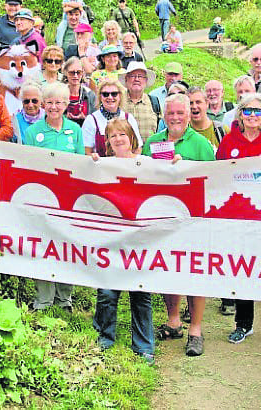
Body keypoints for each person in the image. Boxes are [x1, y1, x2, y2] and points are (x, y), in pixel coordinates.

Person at [145, 94, 215, 357]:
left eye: (180, 113)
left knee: (195, 273)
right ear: (164, 115)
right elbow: (141, 176)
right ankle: (173, 320)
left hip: (193, 219)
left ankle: (195, 329)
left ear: (189, 115)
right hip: (163, 217)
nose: (175, 117)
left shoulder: (201, 145)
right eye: (170, 113)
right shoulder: (153, 142)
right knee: (168, 268)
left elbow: (213, 181)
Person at [215, 92, 261, 347]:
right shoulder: (228, 143)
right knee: (242, 270)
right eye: (247, 111)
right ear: (240, 115)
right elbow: (218, 177)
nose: (252, 116)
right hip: (237, 218)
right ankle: (244, 324)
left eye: (257, 111)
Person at [91, 118, 154, 362]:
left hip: (140, 236)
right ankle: (104, 338)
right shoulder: (103, 165)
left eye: (122, 135)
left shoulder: (145, 164)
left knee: (141, 293)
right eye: (112, 135)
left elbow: (169, 174)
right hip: (111, 236)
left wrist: (176, 164)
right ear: (107, 141)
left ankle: (144, 346)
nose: (118, 139)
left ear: (132, 138)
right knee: (107, 290)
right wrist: (91, 165)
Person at [24, 81, 84, 310]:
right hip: (42, 199)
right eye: (49, 102)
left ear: (66, 104)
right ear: (42, 104)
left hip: (68, 200)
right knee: (44, 247)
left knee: (66, 247)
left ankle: (64, 298)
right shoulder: (32, 132)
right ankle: (44, 299)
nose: (54, 106)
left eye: (58, 102)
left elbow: (81, 165)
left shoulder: (75, 131)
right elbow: (27, 165)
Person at [82, 75, 142, 156]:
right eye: (105, 94)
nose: (110, 97)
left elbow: (137, 148)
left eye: (114, 94)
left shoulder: (129, 118)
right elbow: (87, 151)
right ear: (100, 97)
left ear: (120, 96)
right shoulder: (91, 120)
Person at [122, 61, 160, 138]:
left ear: (146, 81)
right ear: (126, 80)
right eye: (132, 76)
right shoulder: (118, 101)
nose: (136, 79)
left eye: (140, 76)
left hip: (149, 149)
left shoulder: (154, 101)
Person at [62, 57, 96, 126]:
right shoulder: (59, 93)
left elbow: (95, 119)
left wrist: (86, 118)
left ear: (83, 73)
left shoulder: (90, 94)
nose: (75, 76)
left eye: (78, 72)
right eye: (71, 73)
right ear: (65, 73)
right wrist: (64, 117)